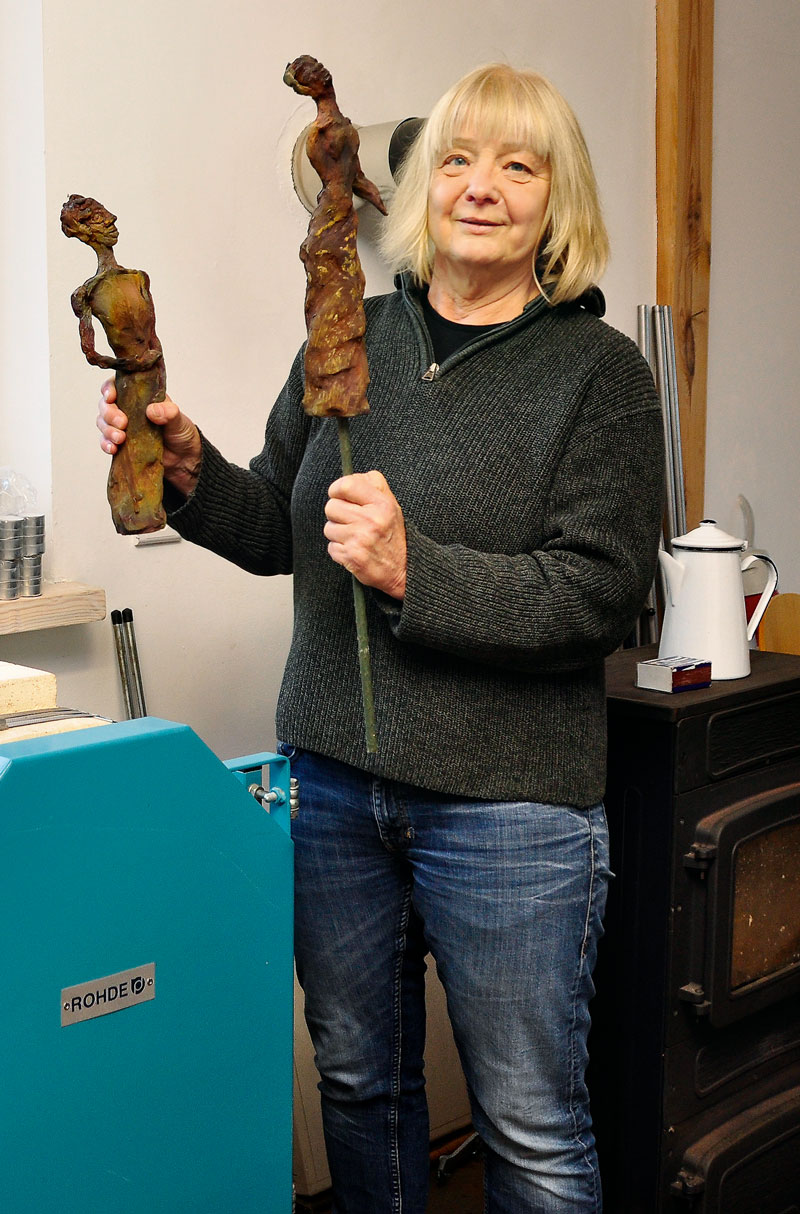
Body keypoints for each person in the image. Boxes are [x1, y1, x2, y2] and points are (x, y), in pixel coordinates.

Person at [97, 63, 664, 1213]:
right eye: (456, 158)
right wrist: (195, 472)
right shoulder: (344, 334)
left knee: (529, 1122)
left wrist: (418, 570)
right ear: (417, 186)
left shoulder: (598, 374)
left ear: (559, 201)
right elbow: (277, 525)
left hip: (510, 807)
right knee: (358, 1087)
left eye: (518, 163)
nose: (481, 186)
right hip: (333, 792)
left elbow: (599, 596)